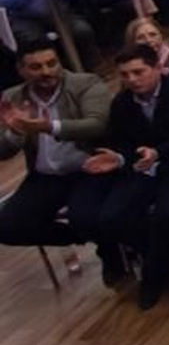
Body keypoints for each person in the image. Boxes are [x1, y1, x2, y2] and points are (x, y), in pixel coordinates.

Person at [75, 43, 169, 308]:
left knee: (167, 214)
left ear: (157, 68)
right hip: (142, 169)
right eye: (125, 75)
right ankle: (167, 257)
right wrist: (119, 158)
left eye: (138, 72)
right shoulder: (122, 103)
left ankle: (153, 275)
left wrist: (158, 153)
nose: (132, 80)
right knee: (111, 218)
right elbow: (122, 142)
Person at [0, 40, 113, 276]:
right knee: (7, 227)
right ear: (21, 70)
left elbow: (97, 125)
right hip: (45, 178)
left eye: (52, 64)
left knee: (84, 215)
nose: (46, 72)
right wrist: (15, 133)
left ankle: (109, 249)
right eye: (36, 67)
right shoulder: (12, 97)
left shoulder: (85, 83)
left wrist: (48, 126)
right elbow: (3, 151)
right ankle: (86, 238)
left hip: (88, 169)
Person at [124, 16, 169, 81]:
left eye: (153, 35)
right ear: (132, 42)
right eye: (141, 38)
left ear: (161, 36)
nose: (148, 40)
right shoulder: (128, 66)